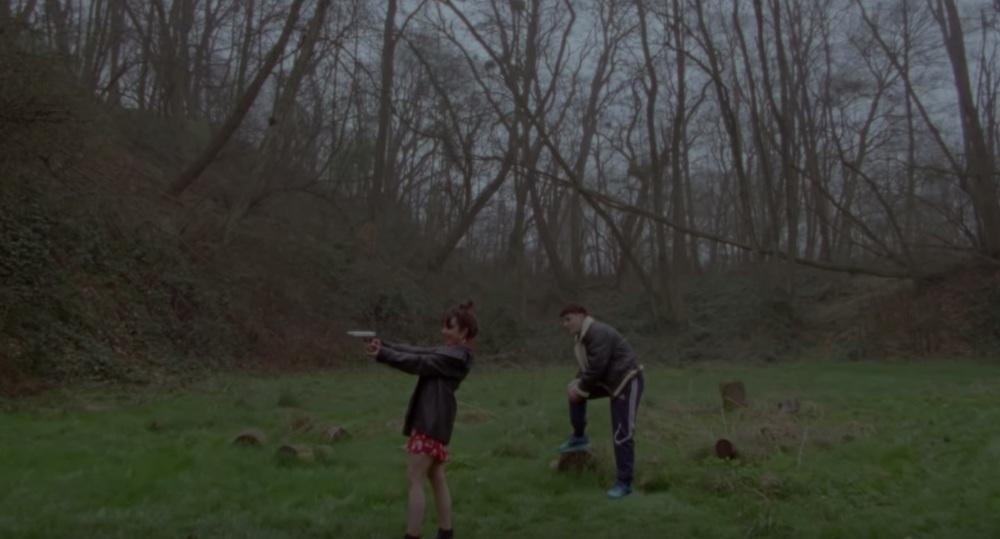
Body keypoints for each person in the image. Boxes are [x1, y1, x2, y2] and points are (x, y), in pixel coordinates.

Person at [365, 300, 478, 539]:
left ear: (463, 332)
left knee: (414, 477)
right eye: (443, 326)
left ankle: (412, 535)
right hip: (434, 419)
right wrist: (385, 345)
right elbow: (419, 351)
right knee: (435, 476)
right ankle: (446, 533)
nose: (443, 331)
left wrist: (383, 354)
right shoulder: (453, 353)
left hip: (431, 421)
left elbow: (419, 362)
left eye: (449, 327)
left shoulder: (456, 357)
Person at [556, 303, 645, 499]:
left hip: (627, 380)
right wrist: (578, 385)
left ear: (582, 316)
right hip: (610, 380)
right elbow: (588, 368)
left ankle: (624, 483)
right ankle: (579, 437)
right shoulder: (583, 337)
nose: (565, 324)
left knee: (622, 433)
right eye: (563, 321)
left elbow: (597, 366)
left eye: (568, 319)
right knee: (573, 390)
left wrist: (581, 388)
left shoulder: (597, 332)